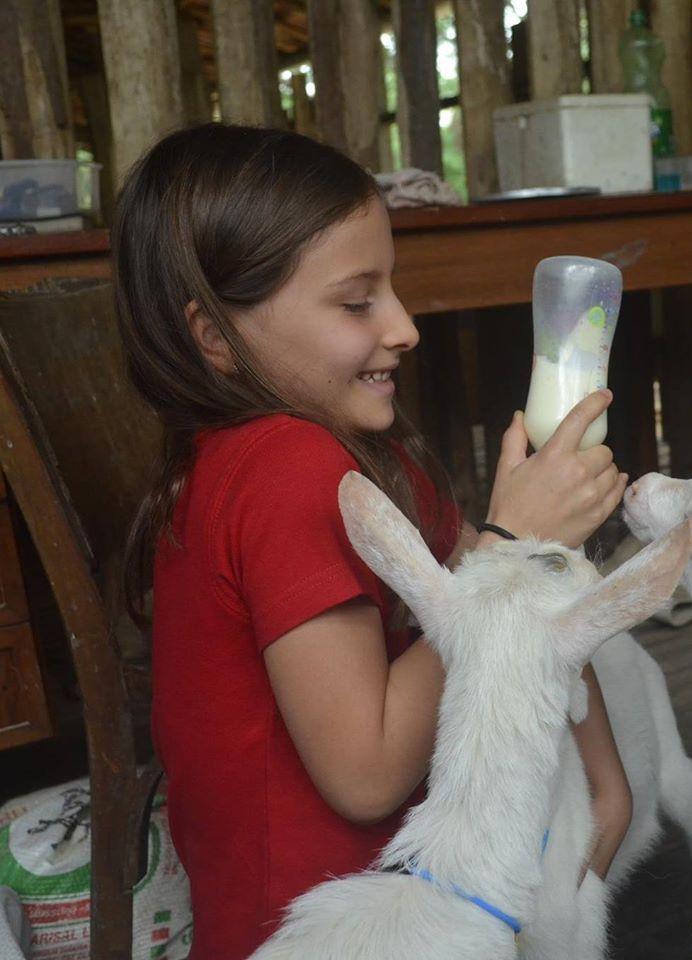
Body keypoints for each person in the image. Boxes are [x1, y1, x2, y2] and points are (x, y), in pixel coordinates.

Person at [115, 123, 632, 960]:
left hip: (413, 894)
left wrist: (604, 783)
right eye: (358, 303)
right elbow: (365, 775)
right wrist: (516, 543)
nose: (404, 326)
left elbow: (495, 578)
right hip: (327, 930)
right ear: (214, 337)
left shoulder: (363, 451)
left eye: (392, 287)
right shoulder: (284, 470)